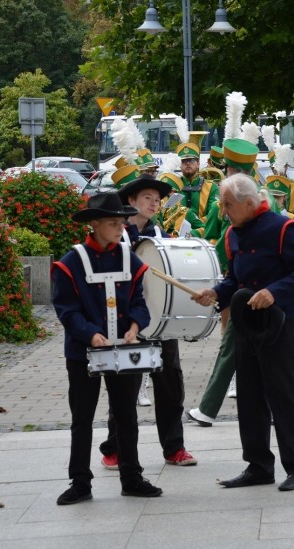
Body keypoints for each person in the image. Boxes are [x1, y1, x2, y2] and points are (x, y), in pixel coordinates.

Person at [192, 173, 294, 491]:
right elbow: (236, 279)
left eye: (228, 205)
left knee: (284, 394)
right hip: (247, 322)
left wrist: (274, 291)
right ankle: (258, 465)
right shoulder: (234, 234)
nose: (223, 211)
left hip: (281, 321)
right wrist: (216, 292)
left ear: (249, 203)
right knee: (249, 396)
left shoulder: (283, 227)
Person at [52, 192, 163, 504]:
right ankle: (80, 483)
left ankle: (131, 477)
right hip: (83, 352)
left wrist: (135, 326)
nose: (120, 228)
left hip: (124, 350)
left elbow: (140, 302)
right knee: (82, 418)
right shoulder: (71, 261)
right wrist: (91, 335)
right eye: (113, 223)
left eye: (121, 222)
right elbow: (67, 310)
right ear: (94, 225)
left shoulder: (129, 258)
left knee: (126, 414)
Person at [98, 177, 198, 470]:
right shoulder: (117, 232)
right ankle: (114, 448)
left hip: (158, 319)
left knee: (170, 384)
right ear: (131, 202)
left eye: (157, 199)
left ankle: (174, 448)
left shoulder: (160, 234)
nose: (154, 203)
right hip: (125, 319)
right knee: (125, 386)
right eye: (148, 198)